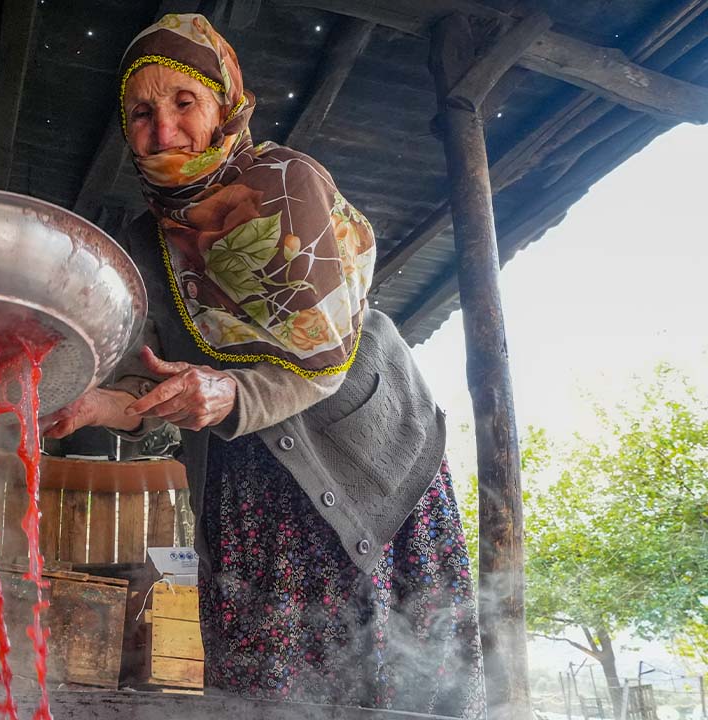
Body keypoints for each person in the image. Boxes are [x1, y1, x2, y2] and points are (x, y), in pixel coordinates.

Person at [44, 14, 485, 717]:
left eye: (184, 103)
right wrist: (95, 404)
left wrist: (224, 393)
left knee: (394, 672)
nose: (164, 132)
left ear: (223, 102)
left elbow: (323, 357)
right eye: (142, 113)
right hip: (248, 483)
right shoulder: (140, 241)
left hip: (362, 454)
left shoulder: (284, 185)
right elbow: (155, 380)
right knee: (264, 684)